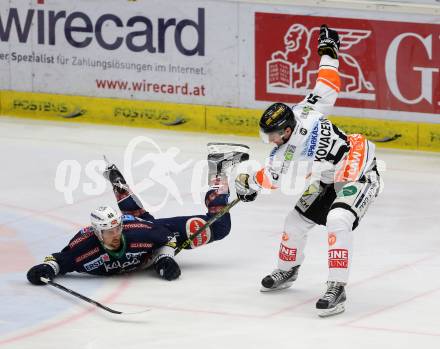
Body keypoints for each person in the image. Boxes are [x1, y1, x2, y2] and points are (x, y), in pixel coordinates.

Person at [235, 25, 381, 317]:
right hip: (329, 176)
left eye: (273, 136)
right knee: (295, 221)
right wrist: (328, 48)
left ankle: (336, 287)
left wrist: (245, 182)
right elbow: (328, 81)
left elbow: (271, 180)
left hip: (359, 169)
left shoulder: (286, 151)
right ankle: (287, 271)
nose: (271, 142)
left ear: (286, 130)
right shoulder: (306, 108)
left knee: (339, 218)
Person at [27, 143, 249, 285]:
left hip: (148, 231)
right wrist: (44, 269)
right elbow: (59, 261)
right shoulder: (85, 248)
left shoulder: (137, 233)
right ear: (96, 233)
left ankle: (219, 166)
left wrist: (164, 258)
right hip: (142, 228)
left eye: (116, 227)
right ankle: (118, 184)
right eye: (108, 231)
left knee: (219, 227)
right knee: (141, 219)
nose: (115, 233)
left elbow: (166, 237)